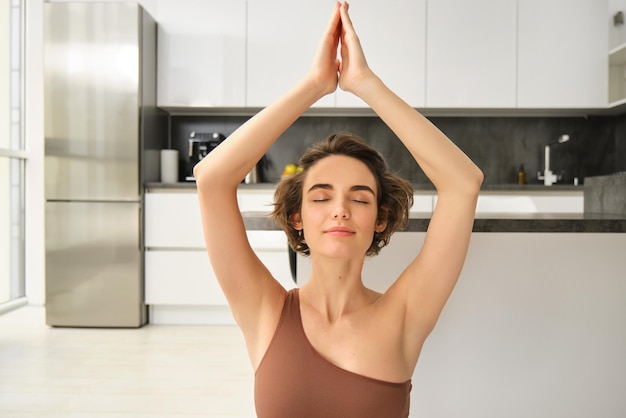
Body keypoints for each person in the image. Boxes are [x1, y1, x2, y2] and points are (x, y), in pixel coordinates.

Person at [193, 2, 483, 417]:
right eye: (321, 197)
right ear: (297, 217)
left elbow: (462, 183)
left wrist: (365, 83)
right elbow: (212, 179)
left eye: (360, 198)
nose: (340, 210)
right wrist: (313, 85)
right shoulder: (265, 310)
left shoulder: (404, 315)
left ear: (379, 219)